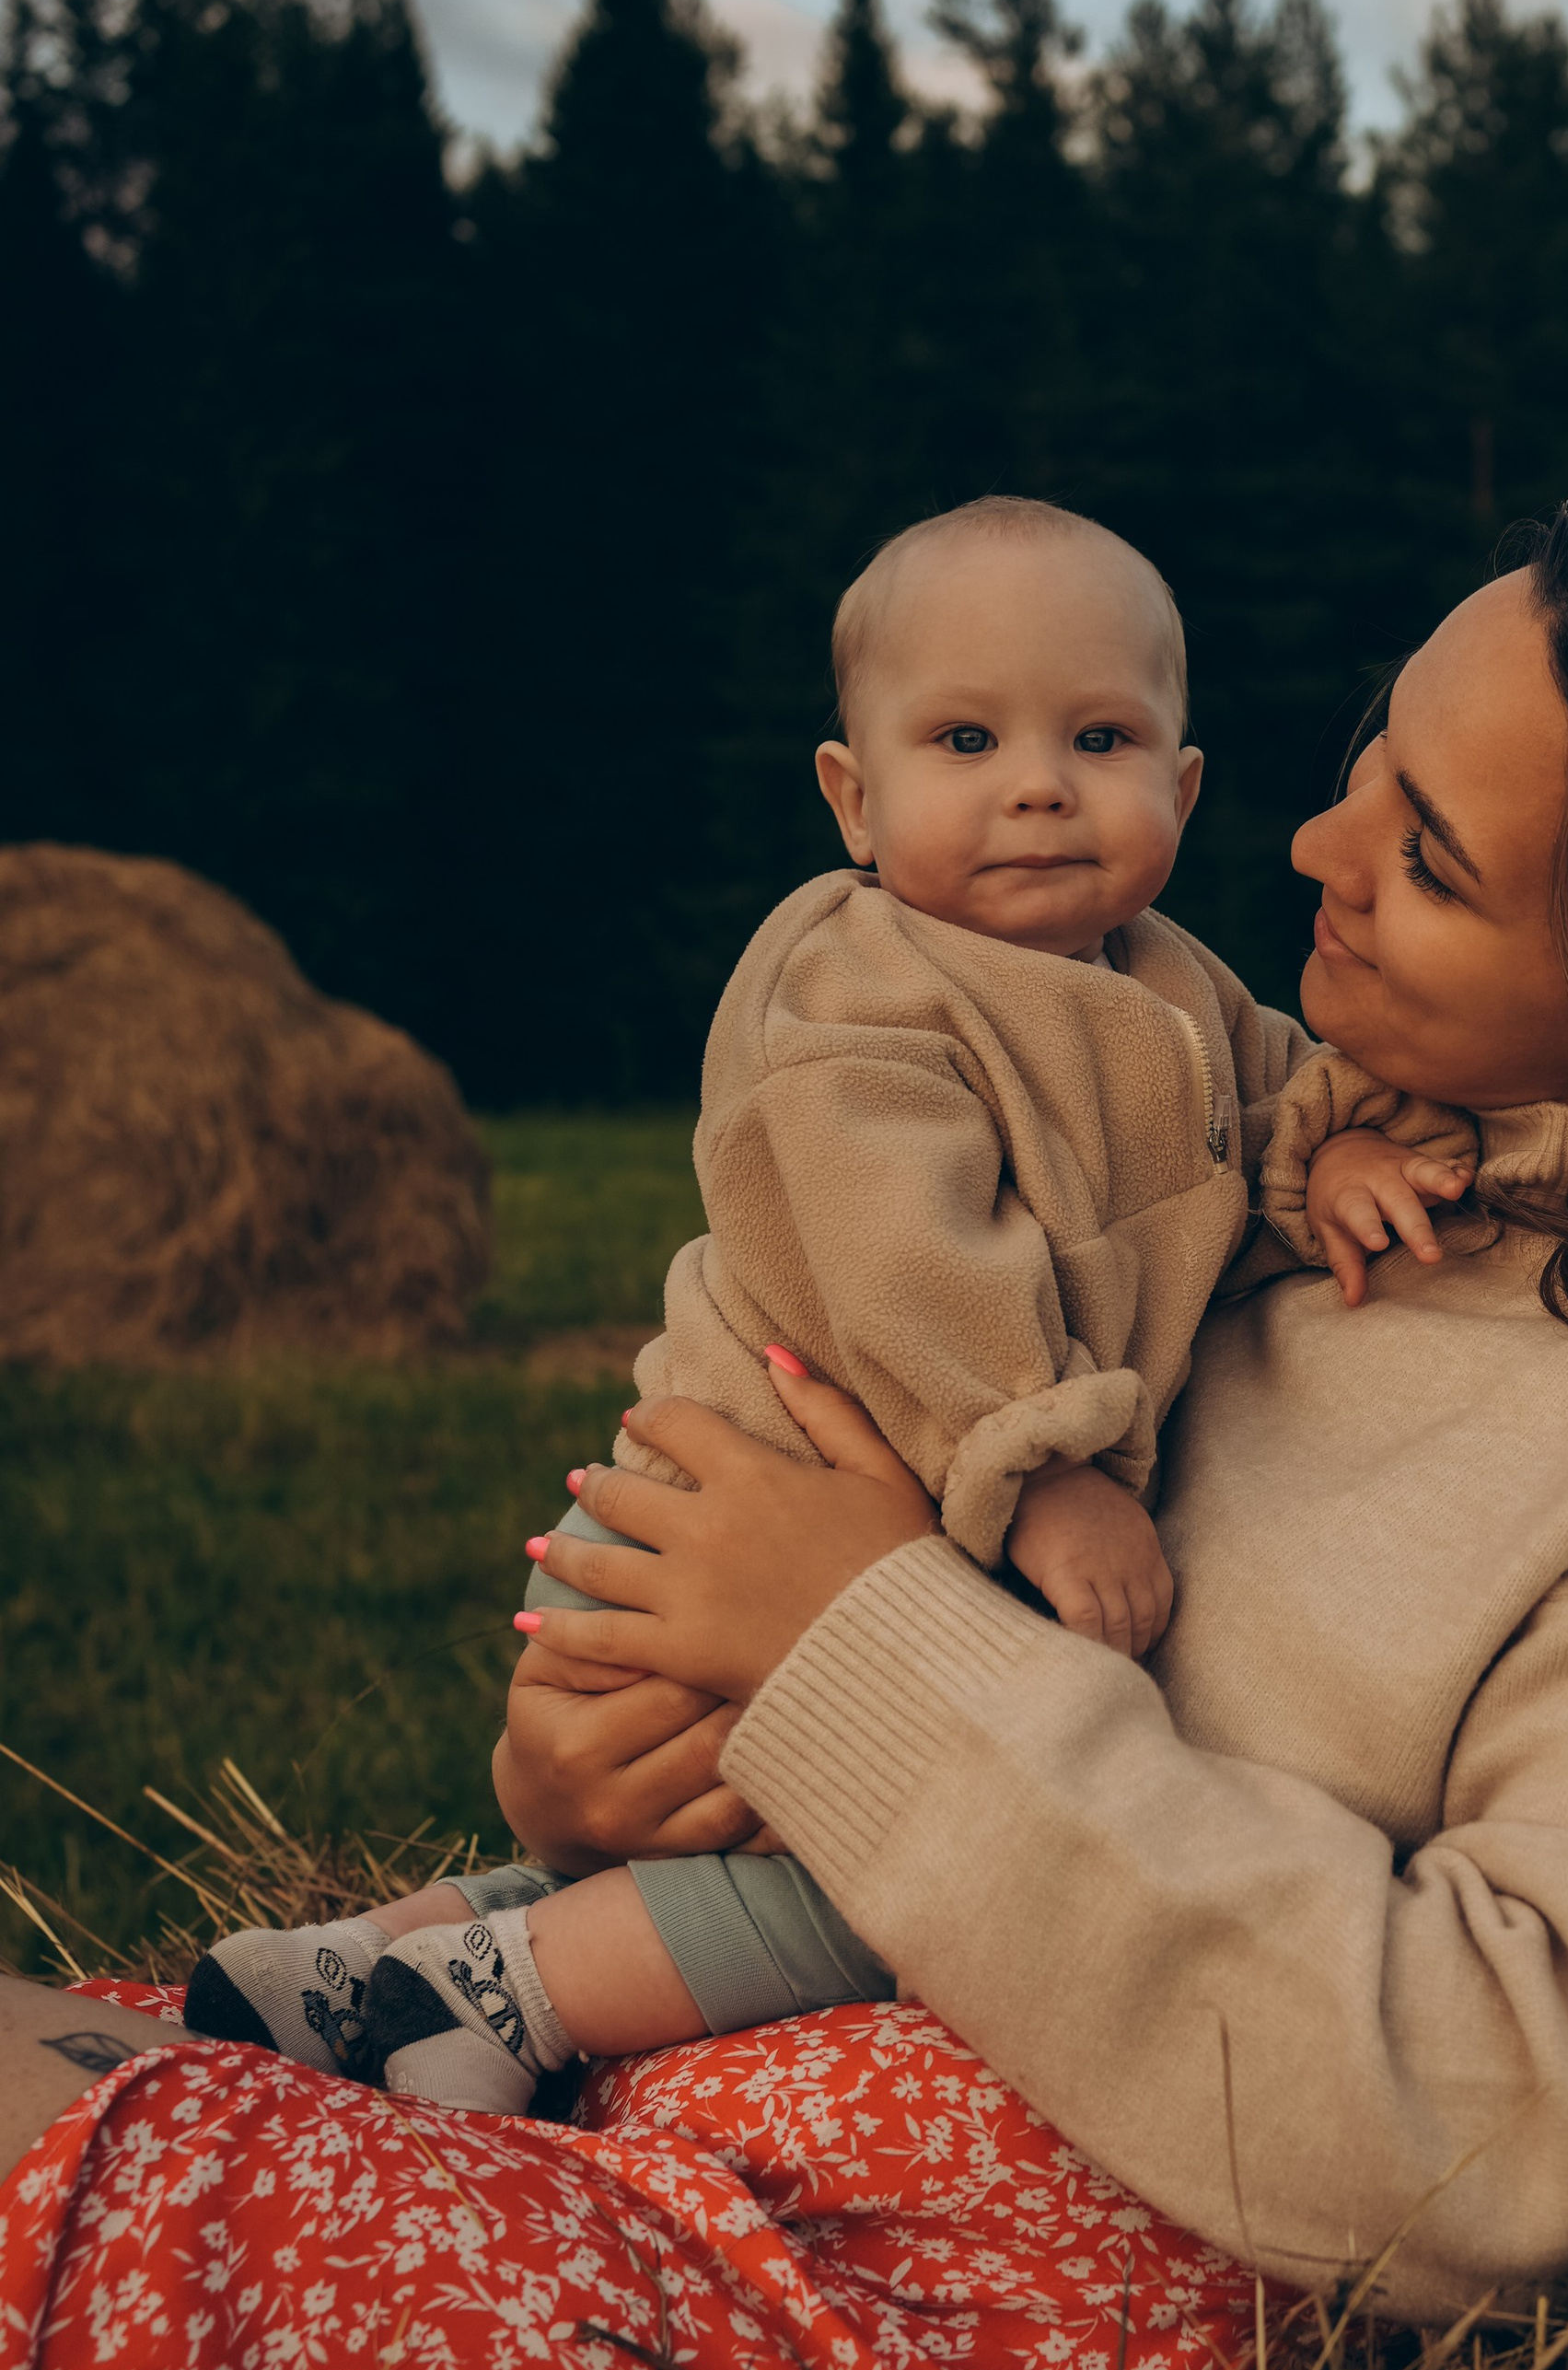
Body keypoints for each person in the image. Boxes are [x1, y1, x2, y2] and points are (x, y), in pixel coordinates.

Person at [0, 511, 1568, 2370]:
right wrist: (629, 1763)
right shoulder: (1301, 1187)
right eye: (1368, 748)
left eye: (1427, 856)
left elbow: (1518, 2108)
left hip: (932, 2329)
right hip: (662, 2098)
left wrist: (853, 1642)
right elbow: (929, 1700)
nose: (1302, 841)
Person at [179, 495, 1469, 2113]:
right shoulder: (856, 992)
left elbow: (1275, 1103)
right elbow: (900, 1263)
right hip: (758, 1507)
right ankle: (518, 1997)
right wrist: (1045, 1458)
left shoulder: (1177, 987)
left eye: (1100, 735)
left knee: (800, 1840)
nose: (1037, 782)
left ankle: (392, 1958)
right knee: (916, 1878)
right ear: (852, 800)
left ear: (1184, 787)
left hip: (882, 1536)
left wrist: (1329, 1157)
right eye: (964, 737)